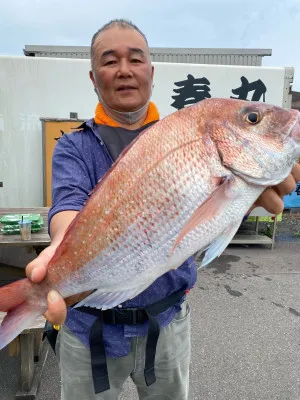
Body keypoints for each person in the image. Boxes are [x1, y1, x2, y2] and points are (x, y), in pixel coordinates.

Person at [26, 19, 300, 400]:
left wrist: (238, 202)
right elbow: (68, 204)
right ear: (93, 76)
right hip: (89, 330)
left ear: (151, 71)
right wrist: (63, 251)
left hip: (167, 322)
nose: (124, 70)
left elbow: (201, 232)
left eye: (135, 59)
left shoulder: (181, 133)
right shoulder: (74, 146)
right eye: (110, 60)